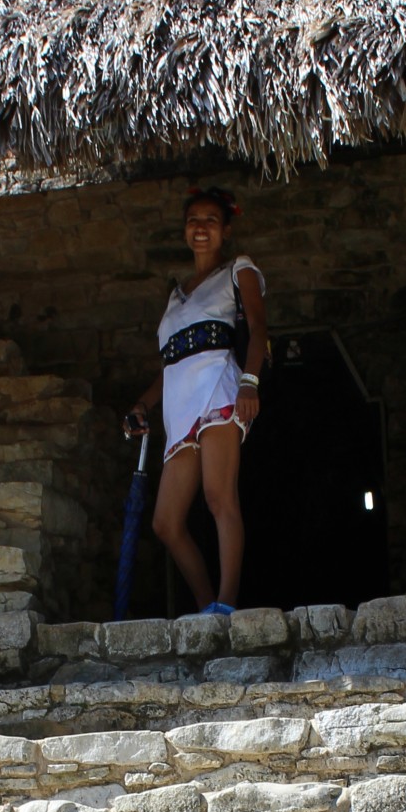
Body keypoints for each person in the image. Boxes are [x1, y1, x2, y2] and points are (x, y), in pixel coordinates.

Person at [124, 187, 268, 615]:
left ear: (225, 230)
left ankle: (227, 604)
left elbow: (258, 329)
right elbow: (170, 365)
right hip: (179, 407)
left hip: (220, 389)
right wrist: (143, 405)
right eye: (193, 220)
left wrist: (250, 383)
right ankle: (208, 608)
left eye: (210, 220)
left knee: (218, 496)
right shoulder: (176, 295)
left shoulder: (237, 271)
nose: (200, 227)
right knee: (165, 522)